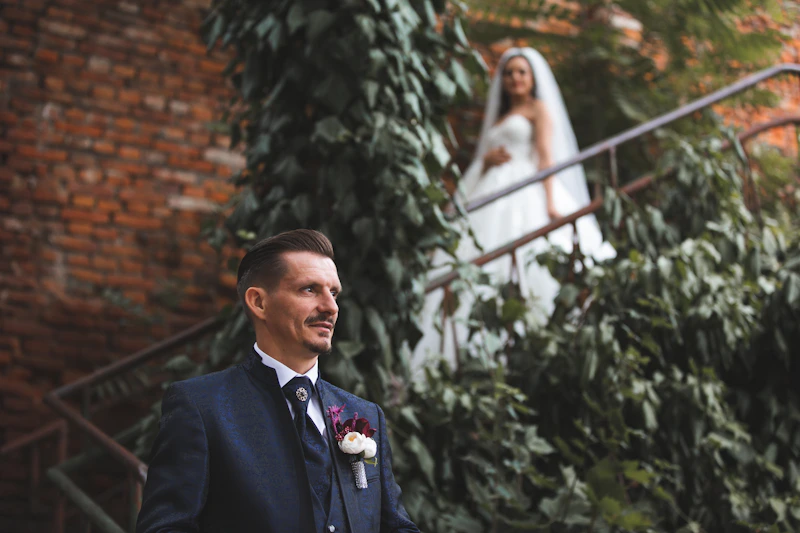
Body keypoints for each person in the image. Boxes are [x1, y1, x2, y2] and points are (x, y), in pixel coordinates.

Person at [137, 229, 419, 533]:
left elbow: (396, 527)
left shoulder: (362, 415)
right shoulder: (201, 407)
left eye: (334, 292)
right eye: (310, 289)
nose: (331, 307)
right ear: (259, 302)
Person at [413, 47, 615, 368]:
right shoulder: (501, 116)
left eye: (521, 72)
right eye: (508, 73)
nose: (514, 78)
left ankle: (526, 340)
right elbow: (487, 152)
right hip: (491, 187)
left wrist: (550, 202)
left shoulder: (539, 110)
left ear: (533, 78)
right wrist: (486, 160)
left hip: (526, 187)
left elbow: (546, 155)